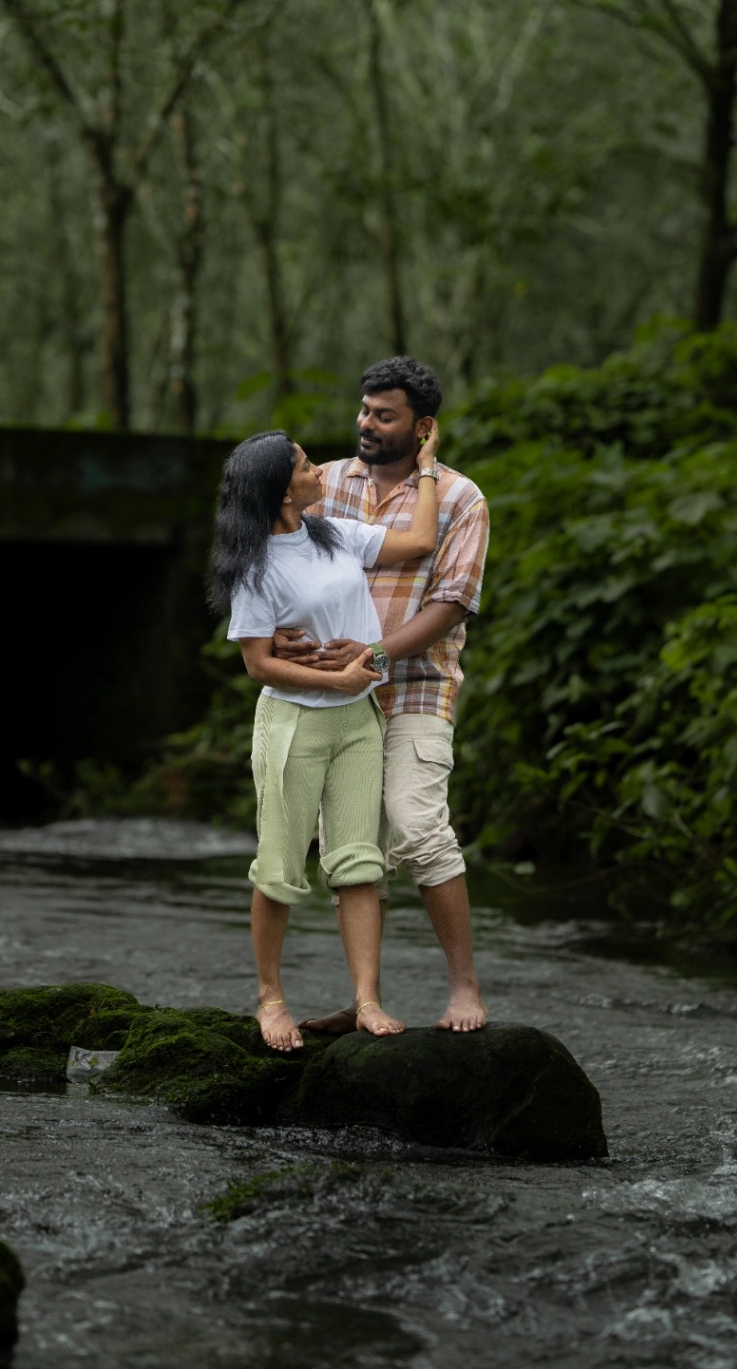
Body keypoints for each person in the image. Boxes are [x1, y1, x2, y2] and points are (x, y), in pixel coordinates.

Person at [273, 356, 490, 1033]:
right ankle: (366, 1000)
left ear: (422, 427)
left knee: (419, 828)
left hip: (417, 688)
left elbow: (454, 603)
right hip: (333, 694)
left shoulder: (460, 499)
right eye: (364, 411)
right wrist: (282, 637)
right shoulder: (324, 483)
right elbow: (278, 558)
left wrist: (374, 653)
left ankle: (464, 989)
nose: (366, 424)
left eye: (384, 415)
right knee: (351, 849)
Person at [212, 422, 442, 1052]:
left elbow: (420, 540)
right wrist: (335, 683)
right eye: (308, 465)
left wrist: (426, 467)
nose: (320, 472)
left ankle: (367, 1001)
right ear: (284, 490)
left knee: (358, 865)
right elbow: (258, 664)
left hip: (358, 722)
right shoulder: (256, 565)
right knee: (281, 866)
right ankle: (270, 999)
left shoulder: (333, 533)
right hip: (292, 722)